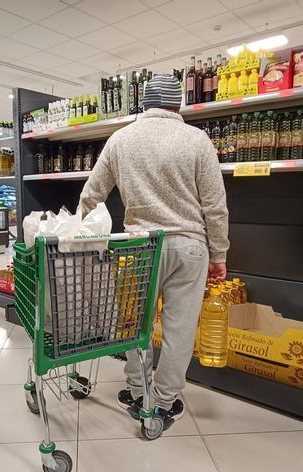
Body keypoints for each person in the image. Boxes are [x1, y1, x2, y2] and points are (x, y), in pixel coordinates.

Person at [78, 74, 229, 430]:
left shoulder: (121, 139)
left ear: (144, 103)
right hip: (190, 247)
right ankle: (162, 402)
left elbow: (91, 194)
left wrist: (78, 236)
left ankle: (136, 389)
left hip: (139, 246)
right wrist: (219, 253)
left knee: (133, 325)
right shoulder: (197, 140)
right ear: (177, 104)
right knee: (179, 329)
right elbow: (216, 206)